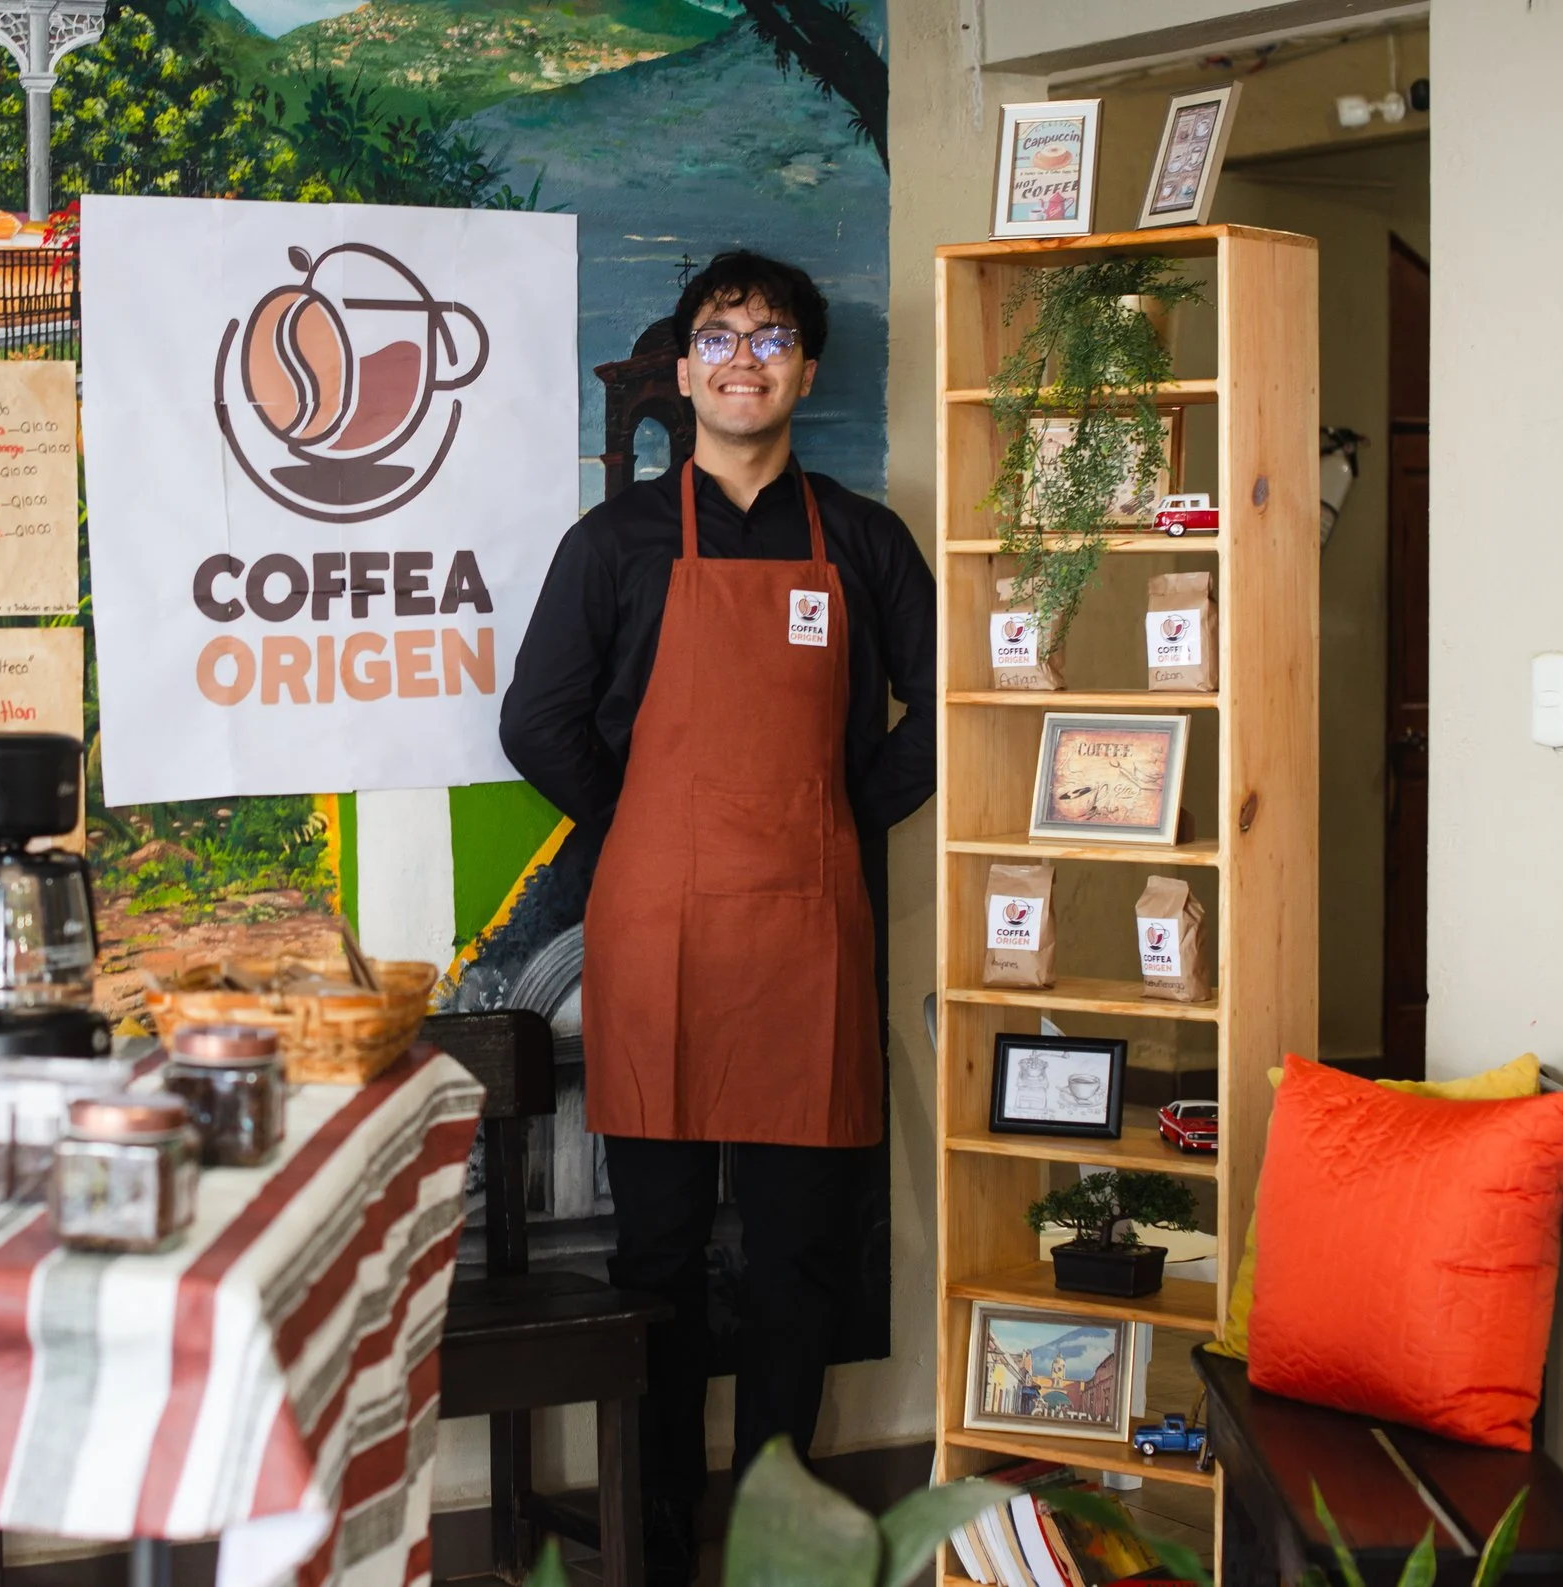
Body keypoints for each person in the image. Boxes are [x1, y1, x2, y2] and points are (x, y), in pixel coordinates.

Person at [498, 251, 935, 1584]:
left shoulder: (862, 536)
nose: (746, 357)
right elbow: (536, 722)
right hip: (662, 935)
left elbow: (951, 706)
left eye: (772, 337)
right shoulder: (615, 542)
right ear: (686, 371)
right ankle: (665, 1523)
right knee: (661, 1254)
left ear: (805, 369)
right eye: (720, 337)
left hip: (812, 931)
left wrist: (836, 810)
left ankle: (779, 1530)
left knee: (803, 1252)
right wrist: (644, 817)